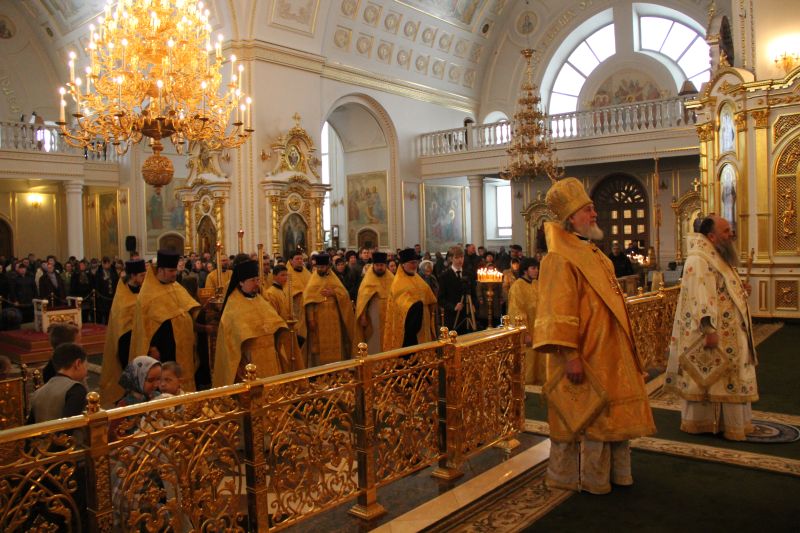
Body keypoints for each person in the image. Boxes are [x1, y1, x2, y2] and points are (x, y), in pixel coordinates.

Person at [534, 177, 655, 495]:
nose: (594, 214)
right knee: (588, 417)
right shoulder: (559, 258)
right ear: (571, 217)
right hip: (585, 354)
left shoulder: (595, 253)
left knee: (610, 416)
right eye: (588, 209)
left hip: (609, 352)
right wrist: (570, 356)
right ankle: (584, 477)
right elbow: (556, 311)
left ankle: (612, 474)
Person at [665, 215, 757, 441]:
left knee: (725, 379)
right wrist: (709, 330)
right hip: (714, 331)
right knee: (710, 378)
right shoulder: (699, 258)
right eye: (726, 231)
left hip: (729, 330)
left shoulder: (717, 255)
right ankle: (703, 423)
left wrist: (740, 289)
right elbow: (701, 295)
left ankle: (727, 423)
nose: (731, 234)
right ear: (712, 236)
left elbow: (721, 288)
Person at [213, 260, 302, 386]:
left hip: (271, 357)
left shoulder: (260, 300)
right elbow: (230, 344)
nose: (256, 284)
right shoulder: (232, 307)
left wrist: (281, 330)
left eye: (257, 279)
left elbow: (275, 322)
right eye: (252, 280)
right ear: (241, 282)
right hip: (250, 363)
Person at [131, 250, 201, 392]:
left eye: (175, 270)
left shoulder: (175, 286)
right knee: (165, 383)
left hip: (182, 347)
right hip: (164, 348)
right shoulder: (147, 294)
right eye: (171, 271)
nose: (175, 274)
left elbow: (189, 307)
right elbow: (144, 326)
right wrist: (152, 348)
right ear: (160, 270)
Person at [99, 259, 146, 407]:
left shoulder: (145, 291)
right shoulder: (122, 295)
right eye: (142, 275)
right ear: (133, 276)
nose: (144, 278)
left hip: (142, 340)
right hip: (125, 341)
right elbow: (120, 321)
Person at [302, 254, 356, 366]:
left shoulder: (334, 279)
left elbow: (345, 295)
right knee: (319, 345)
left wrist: (334, 293)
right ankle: (320, 369)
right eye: (318, 267)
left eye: (322, 267)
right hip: (318, 319)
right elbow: (308, 301)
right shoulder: (313, 281)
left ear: (328, 267)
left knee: (335, 343)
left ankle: (336, 368)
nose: (320, 269)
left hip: (334, 318)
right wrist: (311, 319)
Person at [383, 248, 438, 349]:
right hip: (409, 329)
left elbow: (430, 297)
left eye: (416, 262)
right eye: (412, 263)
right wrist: (417, 305)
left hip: (424, 324)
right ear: (403, 264)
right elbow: (402, 306)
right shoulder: (398, 283)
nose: (414, 265)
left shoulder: (417, 278)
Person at [28, 343, 88, 423]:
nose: (86, 369)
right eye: (86, 365)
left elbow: (30, 426)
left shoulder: (38, 393)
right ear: (78, 363)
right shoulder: (76, 389)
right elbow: (70, 425)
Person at [507, 257, 545, 384]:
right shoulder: (517, 287)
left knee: (540, 361)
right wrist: (525, 333)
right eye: (533, 268)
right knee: (528, 362)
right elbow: (516, 312)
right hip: (527, 332)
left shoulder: (537, 284)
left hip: (539, 330)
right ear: (525, 270)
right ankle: (526, 388)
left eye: (537, 268)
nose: (536, 271)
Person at [355, 252, 394, 354]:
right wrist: (363, 316)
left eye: (382, 265)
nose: (379, 267)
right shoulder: (368, 279)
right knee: (374, 338)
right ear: (373, 265)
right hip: (373, 314)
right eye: (377, 265)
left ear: (385, 265)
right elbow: (362, 300)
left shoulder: (391, 278)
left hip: (390, 313)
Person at [438, 246, 477, 335]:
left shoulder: (469, 274)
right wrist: (453, 306)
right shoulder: (444, 276)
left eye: (462, 257)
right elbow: (441, 299)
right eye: (457, 257)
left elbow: (474, 294)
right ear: (451, 259)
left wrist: (474, 305)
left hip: (468, 315)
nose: (460, 260)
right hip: (452, 317)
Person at [286, 250, 311, 347]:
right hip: (295, 313)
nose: (300, 261)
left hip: (308, 309)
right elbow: (287, 291)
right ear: (291, 261)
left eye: (301, 259)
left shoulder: (307, 273)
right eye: (297, 259)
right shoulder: (287, 274)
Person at [95, 256, 118, 324]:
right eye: (105, 263)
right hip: (102, 298)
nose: (107, 265)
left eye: (108, 263)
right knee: (102, 315)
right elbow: (97, 285)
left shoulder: (113, 271)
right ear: (102, 263)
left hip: (111, 297)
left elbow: (116, 281)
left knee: (110, 316)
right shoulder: (99, 273)